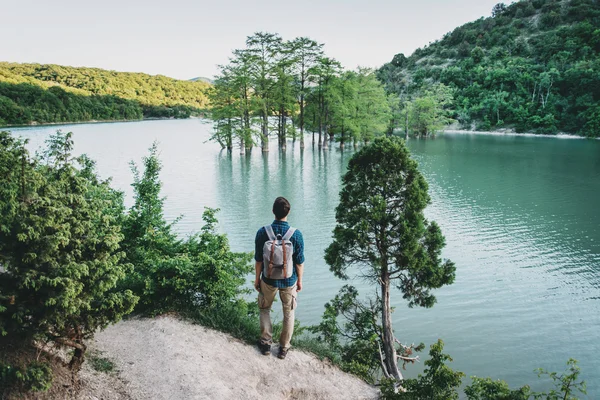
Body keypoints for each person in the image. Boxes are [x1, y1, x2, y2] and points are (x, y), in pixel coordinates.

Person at [254, 197, 304, 360]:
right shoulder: (296, 235)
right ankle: (283, 348)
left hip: (268, 279)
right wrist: (299, 281)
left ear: (273, 211)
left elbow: (259, 260)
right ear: (288, 212)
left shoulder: (263, 232)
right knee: (288, 312)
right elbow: (299, 262)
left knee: (264, 309)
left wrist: (257, 279)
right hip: (289, 280)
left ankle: (266, 343)